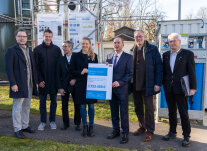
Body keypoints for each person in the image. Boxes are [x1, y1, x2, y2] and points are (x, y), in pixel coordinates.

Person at [162, 33, 197, 147]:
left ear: (180, 42)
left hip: (181, 89)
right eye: (170, 41)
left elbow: (192, 72)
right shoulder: (166, 55)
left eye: (174, 41)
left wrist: (193, 88)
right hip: (169, 88)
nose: (172, 43)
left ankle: (186, 136)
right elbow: (165, 72)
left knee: (183, 112)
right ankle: (172, 132)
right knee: (171, 111)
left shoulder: (188, 54)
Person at [5, 28, 38, 139]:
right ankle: (17, 129)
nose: (22, 38)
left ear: (27, 38)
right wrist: (13, 83)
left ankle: (24, 125)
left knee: (26, 106)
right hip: (18, 84)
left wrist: (35, 82)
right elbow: (9, 69)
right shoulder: (11, 50)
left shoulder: (29, 50)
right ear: (16, 37)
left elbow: (33, 67)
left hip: (29, 83)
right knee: (17, 107)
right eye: (19, 36)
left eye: (24, 36)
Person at [131, 30, 162, 142]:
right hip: (136, 85)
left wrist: (157, 83)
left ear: (144, 37)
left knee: (149, 109)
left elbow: (159, 67)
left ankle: (150, 131)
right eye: (136, 37)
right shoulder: (133, 50)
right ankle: (142, 127)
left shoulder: (152, 49)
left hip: (148, 84)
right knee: (138, 107)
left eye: (140, 36)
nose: (138, 38)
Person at [106, 37, 133, 144]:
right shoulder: (109, 56)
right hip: (111, 90)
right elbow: (107, 72)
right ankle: (116, 130)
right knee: (113, 112)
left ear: (123, 45)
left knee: (124, 113)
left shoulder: (128, 57)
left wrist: (120, 82)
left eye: (118, 43)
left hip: (122, 90)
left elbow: (130, 74)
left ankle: (125, 133)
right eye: (115, 43)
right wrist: (105, 67)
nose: (116, 45)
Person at [34, 29, 62, 130]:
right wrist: (39, 81)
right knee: (42, 102)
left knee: (54, 102)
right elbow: (35, 67)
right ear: (43, 36)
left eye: (49, 36)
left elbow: (60, 67)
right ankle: (42, 122)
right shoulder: (37, 49)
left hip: (54, 82)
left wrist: (58, 83)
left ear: (52, 37)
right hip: (42, 82)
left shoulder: (57, 49)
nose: (48, 38)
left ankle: (52, 121)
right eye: (46, 36)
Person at [70, 37, 98, 137]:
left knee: (91, 106)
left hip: (91, 85)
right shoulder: (75, 56)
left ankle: (91, 127)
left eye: (86, 43)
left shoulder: (94, 56)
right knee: (82, 106)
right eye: (83, 43)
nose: (85, 45)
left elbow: (98, 71)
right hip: (80, 85)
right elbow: (72, 70)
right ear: (80, 44)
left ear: (90, 44)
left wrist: (88, 71)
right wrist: (80, 72)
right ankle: (84, 126)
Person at [56, 41, 81, 131]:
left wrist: (76, 80)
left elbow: (81, 72)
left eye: (66, 46)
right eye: (63, 46)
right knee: (64, 105)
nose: (64, 48)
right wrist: (60, 88)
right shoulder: (60, 59)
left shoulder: (77, 58)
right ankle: (65, 124)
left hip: (75, 86)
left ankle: (77, 123)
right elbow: (58, 75)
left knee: (77, 105)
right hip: (64, 86)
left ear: (71, 47)